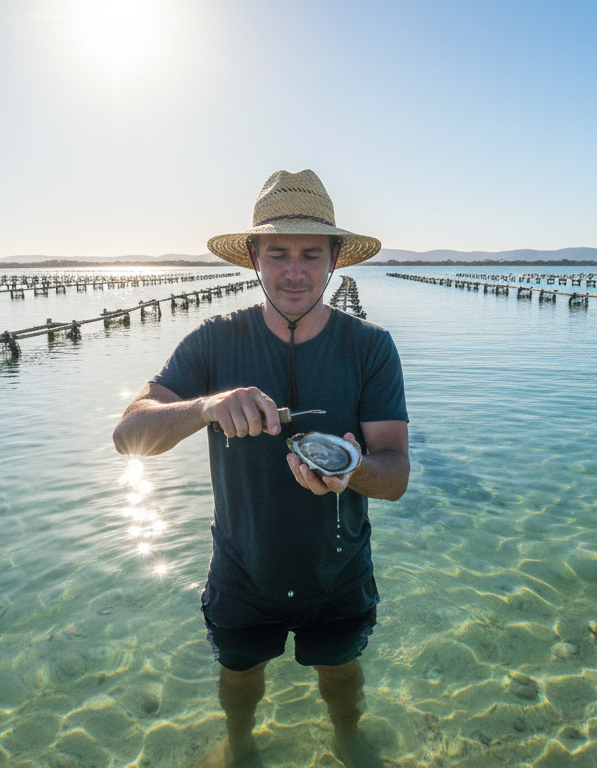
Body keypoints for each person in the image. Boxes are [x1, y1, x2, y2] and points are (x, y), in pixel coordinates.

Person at [113, 169, 410, 768]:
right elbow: (128, 436)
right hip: (241, 570)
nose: (293, 271)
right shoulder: (215, 341)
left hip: (340, 569)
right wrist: (206, 407)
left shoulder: (370, 347)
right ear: (253, 258)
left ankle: (348, 739)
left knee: (341, 672)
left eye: (309, 254)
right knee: (240, 675)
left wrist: (349, 473)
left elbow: (397, 475)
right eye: (278, 253)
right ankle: (240, 744)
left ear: (334, 262)